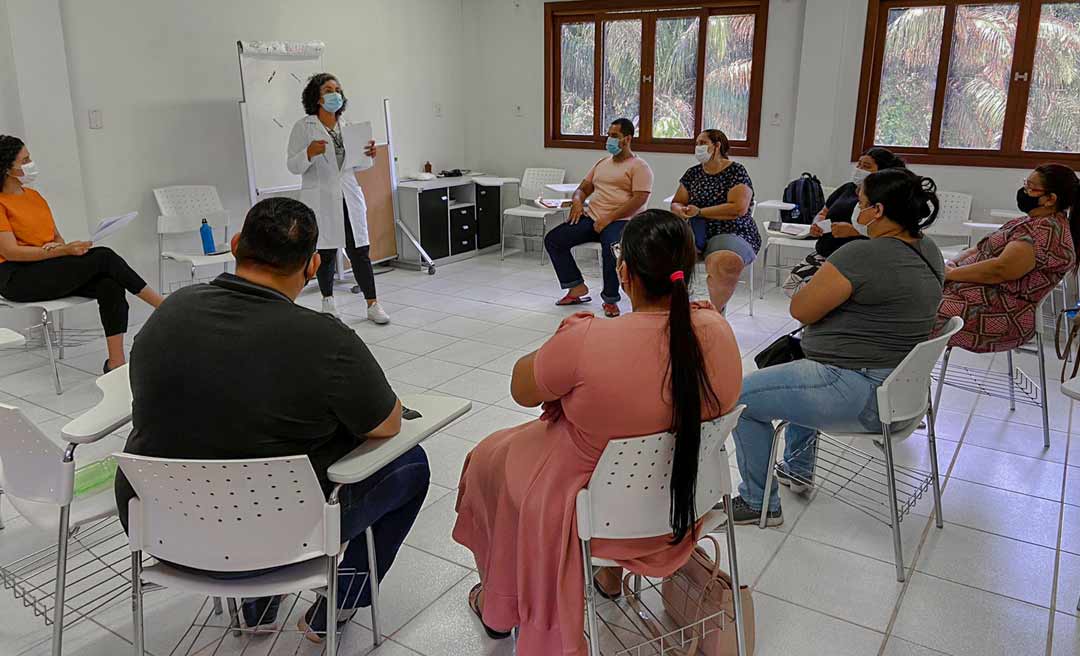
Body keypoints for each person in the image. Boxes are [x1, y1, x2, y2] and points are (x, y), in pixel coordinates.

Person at [114, 197, 428, 643]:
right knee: (411, 465)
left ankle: (256, 606)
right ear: (313, 264)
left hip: (161, 531)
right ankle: (335, 608)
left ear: (236, 243)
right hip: (276, 540)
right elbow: (386, 424)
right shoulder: (324, 340)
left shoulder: (169, 314)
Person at [454, 210, 742, 655]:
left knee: (490, 459)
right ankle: (607, 577)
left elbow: (522, 389)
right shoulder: (718, 332)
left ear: (624, 272)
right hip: (681, 502)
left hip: (594, 514)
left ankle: (499, 607)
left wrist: (562, 346)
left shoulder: (590, 341)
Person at [730, 169, 944, 525]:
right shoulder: (928, 249)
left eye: (859, 204)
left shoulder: (862, 255)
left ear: (877, 210)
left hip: (857, 391)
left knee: (738, 398)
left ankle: (757, 503)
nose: (854, 212)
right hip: (901, 392)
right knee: (798, 366)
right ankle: (797, 470)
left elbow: (800, 307)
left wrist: (817, 283)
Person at [0, 135, 163, 372]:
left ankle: (115, 363)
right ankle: (163, 305)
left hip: (46, 268)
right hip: (16, 278)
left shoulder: (34, 197)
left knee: (109, 282)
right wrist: (62, 251)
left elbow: (55, 237)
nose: (31, 163)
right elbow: (11, 252)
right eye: (25, 160)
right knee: (104, 256)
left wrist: (61, 247)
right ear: (7, 169)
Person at [934, 163, 1079, 353]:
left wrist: (952, 274)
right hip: (968, 293)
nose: (1024, 190)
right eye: (1025, 183)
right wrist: (953, 263)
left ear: (1050, 199)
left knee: (909, 312)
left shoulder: (1046, 231)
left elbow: (1000, 270)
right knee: (903, 297)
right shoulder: (1029, 221)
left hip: (998, 312)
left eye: (1030, 187)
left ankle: (905, 376)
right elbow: (980, 248)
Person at [287, 72, 390, 324]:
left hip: (348, 195)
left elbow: (355, 166)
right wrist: (309, 153)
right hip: (321, 197)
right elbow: (292, 165)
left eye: (338, 90)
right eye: (329, 90)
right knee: (326, 250)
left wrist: (369, 155)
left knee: (360, 251)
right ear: (317, 97)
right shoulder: (304, 127)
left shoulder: (348, 126)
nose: (335, 94)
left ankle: (372, 304)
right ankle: (328, 301)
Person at [544, 118, 653, 318]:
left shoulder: (639, 166)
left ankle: (610, 300)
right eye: (608, 135)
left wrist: (609, 218)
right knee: (554, 239)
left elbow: (639, 199)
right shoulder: (602, 163)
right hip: (593, 217)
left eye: (614, 136)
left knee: (611, 250)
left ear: (627, 139)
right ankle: (576, 287)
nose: (608, 140)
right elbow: (584, 188)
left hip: (623, 222)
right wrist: (577, 200)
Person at [784, 148, 907, 296]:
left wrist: (853, 231)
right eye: (859, 164)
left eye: (866, 166)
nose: (859, 169)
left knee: (821, 299)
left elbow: (890, 234)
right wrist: (817, 223)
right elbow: (824, 212)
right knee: (794, 287)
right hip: (826, 251)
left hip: (857, 259)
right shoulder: (847, 188)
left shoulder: (887, 200)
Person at [669, 129, 756, 311]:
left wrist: (700, 211)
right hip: (696, 231)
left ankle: (716, 313)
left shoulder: (736, 171)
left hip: (732, 230)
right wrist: (681, 210)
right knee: (662, 255)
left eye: (703, 143)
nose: (698, 147)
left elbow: (738, 208)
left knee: (724, 261)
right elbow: (677, 202)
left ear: (717, 146)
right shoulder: (693, 174)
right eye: (697, 143)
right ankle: (674, 308)